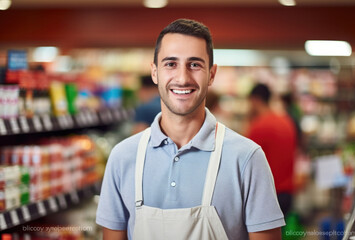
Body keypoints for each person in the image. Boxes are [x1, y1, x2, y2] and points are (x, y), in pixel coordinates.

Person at [96, 19, 285, 240]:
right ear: (154, 72)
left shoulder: (246, 158)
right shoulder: (123, 156)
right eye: (170, 64)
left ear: (212, 74)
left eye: (194, 64)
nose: (183, 78)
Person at [247, 83, 297, 217]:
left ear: (255, 100)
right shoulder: (286, 121)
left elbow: (248, 163)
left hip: (267, 194)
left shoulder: (258, 126)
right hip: (288, 191)